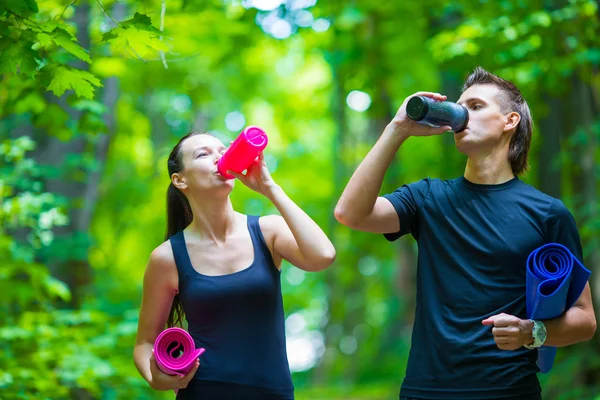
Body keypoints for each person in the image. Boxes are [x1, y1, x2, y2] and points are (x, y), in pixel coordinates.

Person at [334, 67, 596, 400]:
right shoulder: (427, 198)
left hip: (509, 391)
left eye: (476, 106)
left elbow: (585, 320)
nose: (461, 115)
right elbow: (350, 213)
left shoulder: (548, 213)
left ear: (509, 121)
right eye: (460, 107)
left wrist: (532, 332)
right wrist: (397, 128)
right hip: (425, 390)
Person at [133, 131, 336, 399]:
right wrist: (154, 377)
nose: (218, 156)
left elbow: (322, 255)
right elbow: (145, 342)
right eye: (203, 154)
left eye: (221, 150)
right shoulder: (167, 257)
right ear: (180, 180)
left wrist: (269, 187)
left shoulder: (268, 231)